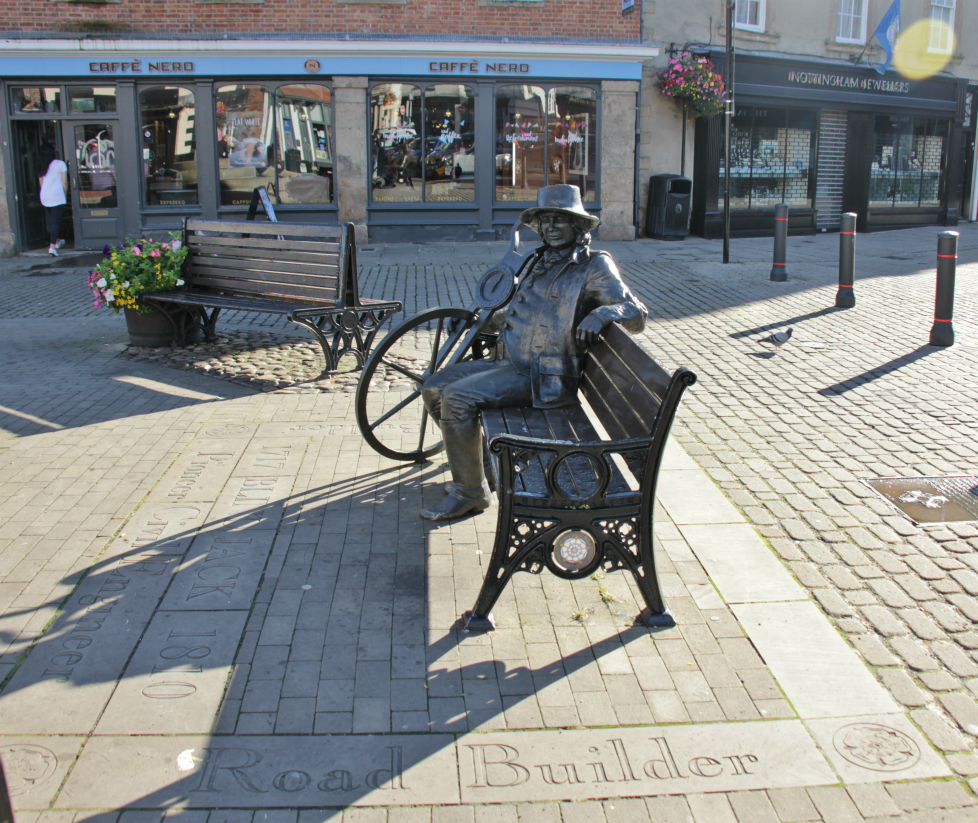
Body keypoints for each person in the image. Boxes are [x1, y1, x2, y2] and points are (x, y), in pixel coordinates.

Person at [419, 184, 648, 521]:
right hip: (511, 363)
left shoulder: (594, 265)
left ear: (579, 226)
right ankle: (480, 470)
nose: (551, 227)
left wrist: (603, 313)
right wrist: (480, 325)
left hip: (544, 378)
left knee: (456, 399)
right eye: (545, 221)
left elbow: (637, 313)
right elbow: (519, 314)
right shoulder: (541, 259)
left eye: (560, 220)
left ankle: (471, 493)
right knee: (433, 386)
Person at [37, 143, 68, 256]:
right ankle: (52, 247)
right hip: (57, 196)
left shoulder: (41, 165)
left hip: (45, 196)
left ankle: (57, 241)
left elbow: (41, 183)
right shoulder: (60, 164)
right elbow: (64, 182)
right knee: (55, 222)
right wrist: (64, 194)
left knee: (52, 220)